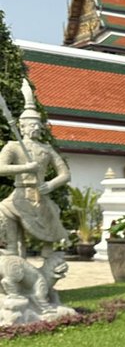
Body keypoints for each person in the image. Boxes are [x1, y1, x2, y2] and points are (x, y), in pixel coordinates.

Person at [0, 80, 70, 257]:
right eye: (32, 125)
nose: (36, 127)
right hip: (19, 195)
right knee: (5, 215)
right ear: (22, 127)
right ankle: (13, 258)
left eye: (38, 125)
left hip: (40, 195)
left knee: (50, 232)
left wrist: (51, 185)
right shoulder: (13, 146)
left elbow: (65, 174)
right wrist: (24, 167)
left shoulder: (46, 149)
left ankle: (48, 267)